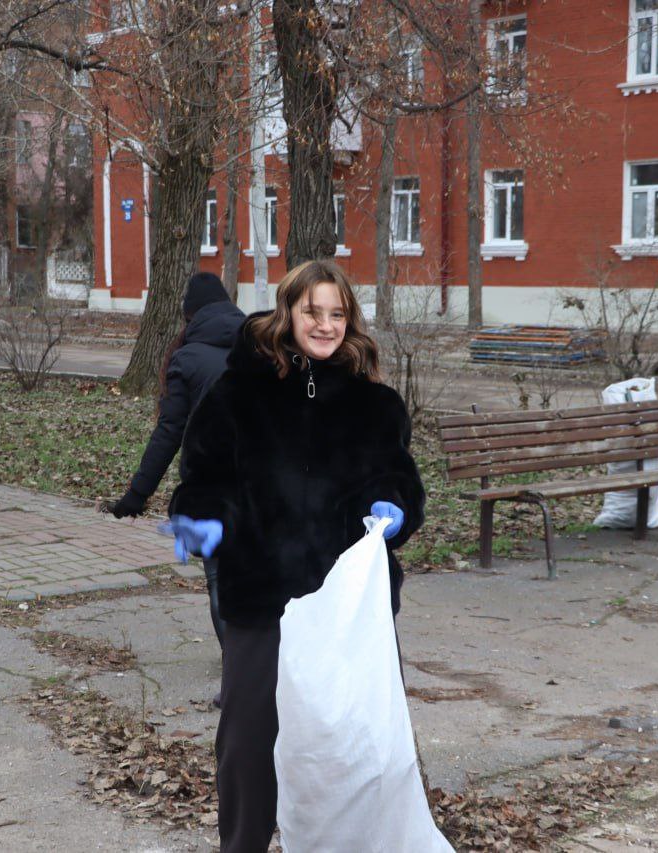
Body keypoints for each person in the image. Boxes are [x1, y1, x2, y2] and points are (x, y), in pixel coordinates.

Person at [167, 259, 426, 852]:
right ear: (287, 313)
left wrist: (393, 509)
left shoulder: (376, 406)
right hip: (262, 597)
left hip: (349, 607)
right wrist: (201, 520)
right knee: (248, 743)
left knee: (363, 744)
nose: (327, 324)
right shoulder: (238, 394)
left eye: (338, 313)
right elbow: (204, 478)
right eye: (313, 311)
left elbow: (400, 483)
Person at [105, 271, 245, 649]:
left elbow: (168, 432)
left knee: (218, 576)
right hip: (263, 479)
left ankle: (236, 667)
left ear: (191, 316)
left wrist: (137, 492)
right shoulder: (258, 345)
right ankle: (261, 666)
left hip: (211, 483)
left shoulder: (186, 357)